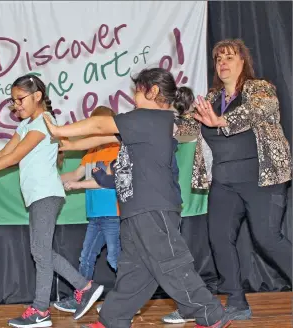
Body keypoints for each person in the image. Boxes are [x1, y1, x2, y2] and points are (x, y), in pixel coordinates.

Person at [43, 67, 231, 328]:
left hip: (154, 206)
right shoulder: (145, 123)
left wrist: (59, 129)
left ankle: (211, 314)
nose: (133, 94)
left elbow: (99, 123)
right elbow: (100, 136)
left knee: (170, 263)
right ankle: (114, 319)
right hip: (135, 208)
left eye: (138, 89)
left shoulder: (152, 118)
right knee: (134, 270)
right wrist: (64, 143)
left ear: (153, 91)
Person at [0, 74, 104, 328]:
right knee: (41, 252)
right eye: (13, 101)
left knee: (40, 254)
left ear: (37, 96)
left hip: (46, 194)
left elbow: (13, 159)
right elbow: (3, 153)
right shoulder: (25, 127)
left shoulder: (44, 122)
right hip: (37, 196)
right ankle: (85, 287)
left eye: (20, 99)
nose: (16, 105)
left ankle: (41, 310)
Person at [174, 38, 292, 321]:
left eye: (229, 57)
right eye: (219, 59)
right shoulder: (211, 100)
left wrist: (221, 121)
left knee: (267, 238)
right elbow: (184, 130)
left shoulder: (260, 89)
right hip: (224, 182)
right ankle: (237, 301)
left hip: (262, 179)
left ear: (243, 62)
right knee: (219, 239)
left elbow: (257, 111)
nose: (223, 63)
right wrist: (167, 113)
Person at [53, 106, 121, 314]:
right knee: (86, 256)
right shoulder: (90, 153)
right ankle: (81, 296)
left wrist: (77, 186)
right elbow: (75, 174)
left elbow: (106, 182)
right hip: (95, 216)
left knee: (115, 258)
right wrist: (50, 180)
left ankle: (126, 300)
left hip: (113, 215)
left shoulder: (117, 149)